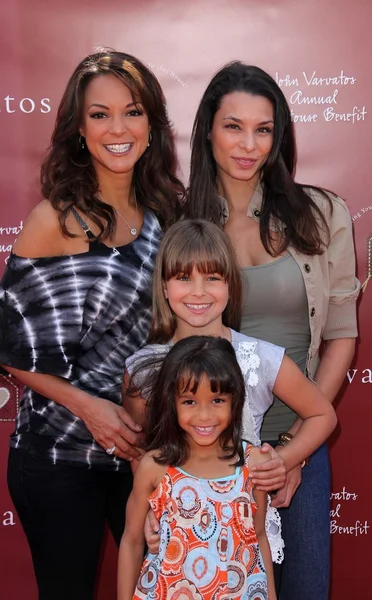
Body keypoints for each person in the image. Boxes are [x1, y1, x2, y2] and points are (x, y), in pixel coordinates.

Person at [0, 49, 184, 600]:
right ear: (79, 130)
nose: (117, 128)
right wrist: (90, 408)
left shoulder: (165, 215)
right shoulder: (52, 220)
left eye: (132, 112)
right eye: (99, 115)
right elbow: (9, 348)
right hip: (59, 458)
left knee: (164, 587)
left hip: (142, 453)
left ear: (152, 125)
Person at [184, 61, 360, 599]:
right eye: (233, 126)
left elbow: (341, 335)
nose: (249, 144)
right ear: (208, 130)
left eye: (264, 129)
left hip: (299, 443)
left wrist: (292, 452)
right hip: (203, 451)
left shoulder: (322, 213)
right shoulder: (178, 221)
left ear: (278, 136)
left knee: (305, 589)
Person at [123, 219, 337, 570]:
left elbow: (322, 414)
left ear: (230, 284)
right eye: (183, 278)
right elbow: (141, 446)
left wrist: (284, 459)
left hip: (244, 535)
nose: (198, 292)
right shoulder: (143, 367)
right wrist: (147, 503)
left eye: (212, 278)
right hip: (176, 533)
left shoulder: (261, 357)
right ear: (163, 286)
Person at [119, 335, 278, 600]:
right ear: (172, 402)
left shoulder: (254, 465)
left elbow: (259, 536)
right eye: (190, 401)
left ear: (234, 400)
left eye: (217, 400)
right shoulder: (155, 467)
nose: (204, 416)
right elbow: (132, 541)